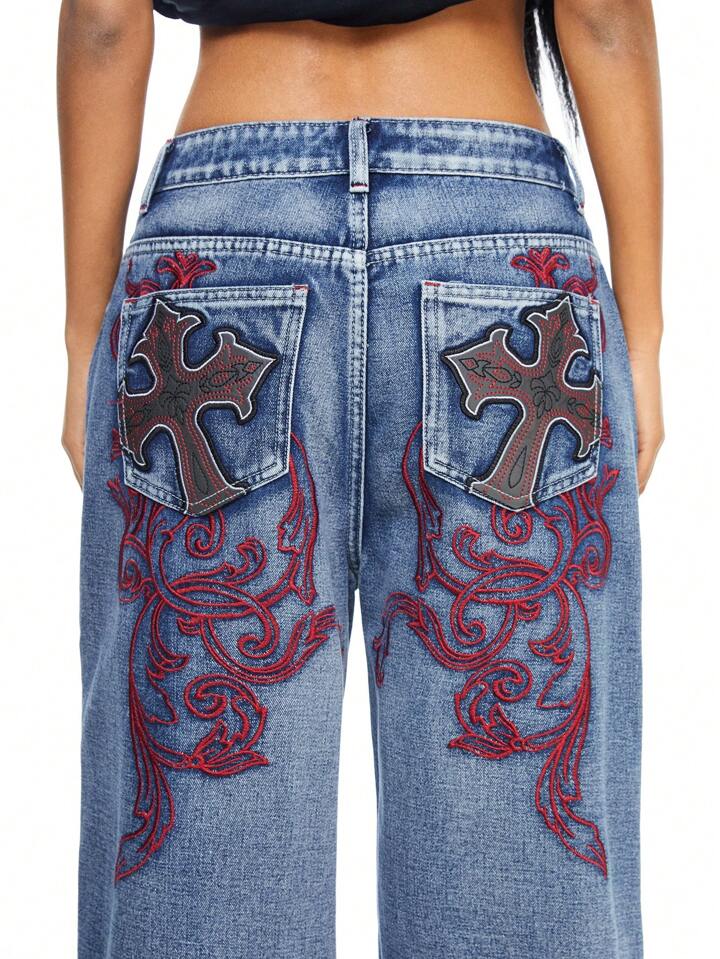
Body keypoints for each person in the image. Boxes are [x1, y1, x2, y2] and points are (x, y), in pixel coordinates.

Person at [58, 2, 663, 957]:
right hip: (505, 261)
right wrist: (645, 335)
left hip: (215, 260)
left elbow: (102, 20)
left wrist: (86, 336)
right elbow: (601, 15)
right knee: (522, 839)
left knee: (194, 850)